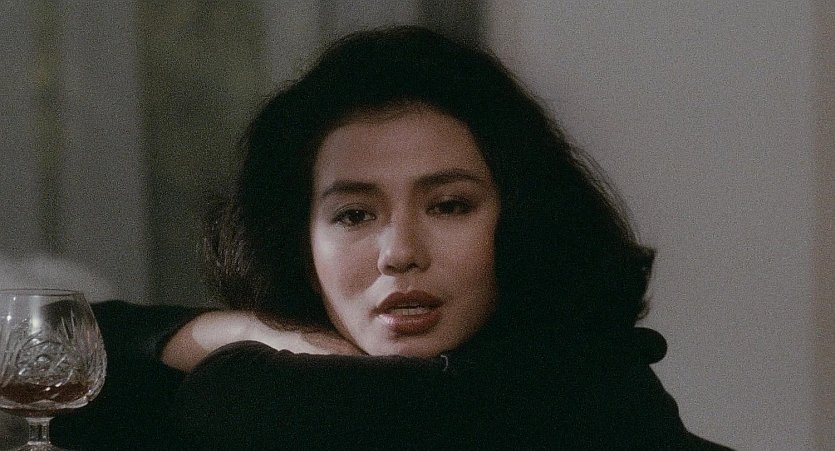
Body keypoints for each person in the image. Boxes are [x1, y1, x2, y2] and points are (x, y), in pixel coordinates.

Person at [51, 26, 730, 450]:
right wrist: (252, 329)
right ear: (299, 243)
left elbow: (313, 412)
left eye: (449, 205)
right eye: (354, 215)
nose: (400, 252)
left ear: (519, 220)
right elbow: (58, 358)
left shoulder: (593, 390)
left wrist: (237, 355)